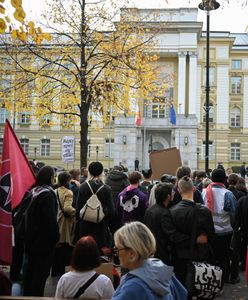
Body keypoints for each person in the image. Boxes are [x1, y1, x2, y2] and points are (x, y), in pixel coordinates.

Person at [112, 221, 187, 300]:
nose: (116, 254)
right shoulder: (161, 269)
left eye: (117, 249)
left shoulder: (133, 286)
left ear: (132, 253)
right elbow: (182, 293)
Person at [166, 176, 215, 288]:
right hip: (201, 255)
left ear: (179, 190)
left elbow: (173, 236)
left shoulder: (172, 212)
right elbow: (211, 235)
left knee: (182, 288)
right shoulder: (205, 211)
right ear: (193, 189)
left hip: (180, 256)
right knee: (200, 288)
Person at [23, 166, 60, 296]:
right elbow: (50, 220)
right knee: (40, 276)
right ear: (50, 177)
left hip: (30, 239)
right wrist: (56, 237)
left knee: (30, 273)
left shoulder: (33, 191)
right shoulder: (47, 194)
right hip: (43, 242)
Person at [202, 168, 237, 284]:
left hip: (209, 232)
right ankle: (223, 279)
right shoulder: (228, 194)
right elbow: (234, 215)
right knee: (223, 257)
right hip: (225, 232)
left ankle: (211, 280)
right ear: (224, 180)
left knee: (211, 257)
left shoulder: (204, 192)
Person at [144, 183, 189, 266]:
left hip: (150, 250)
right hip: (162, 253)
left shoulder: (150, 210)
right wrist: (193, 239)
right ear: (168, 197)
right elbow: (172, 235)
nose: (174, 193)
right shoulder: (164, 213)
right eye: (172, 192)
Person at [77, 162, 115, 252]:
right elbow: (111, 212)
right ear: (102, 172)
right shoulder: (106, 189)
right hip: (101, 228)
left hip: (85, 227)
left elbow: (78, 209)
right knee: (99, 256)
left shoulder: (83, 187)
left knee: (85, 253)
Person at [52, 171, 76, 277]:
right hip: (65, 222)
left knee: (57, 247)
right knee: (66, 247)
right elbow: (67, 208)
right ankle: (64, 271)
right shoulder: (68, 192)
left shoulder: (55, 191)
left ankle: (55, 271)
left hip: (56, 220)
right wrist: (76, 211)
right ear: (67, 180)